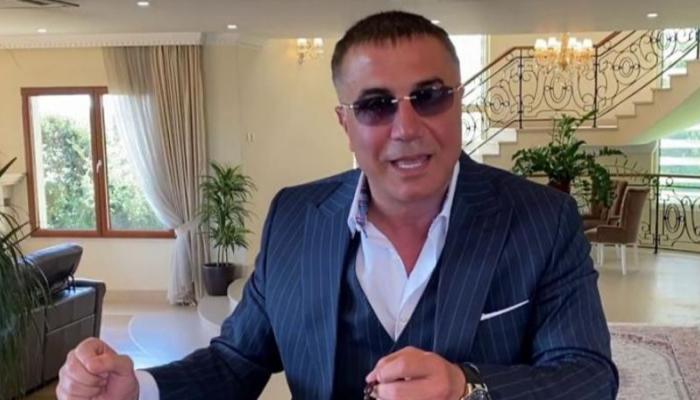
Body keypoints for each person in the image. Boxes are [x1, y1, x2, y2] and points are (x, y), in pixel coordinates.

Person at [56, 11, 618, 400]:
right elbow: (237, 361)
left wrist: (465, 386)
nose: (406, 128)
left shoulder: (542, 219)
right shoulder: (295, 218)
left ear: (457, 101)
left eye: (428, 96)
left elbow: (588, 377)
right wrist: (140, 388)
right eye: (375, 105)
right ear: (345, 122)